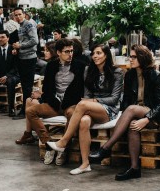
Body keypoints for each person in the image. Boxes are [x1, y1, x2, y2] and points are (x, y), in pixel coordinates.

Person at [88, 45, 160, 181]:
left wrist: (147, 119)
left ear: (143, 57)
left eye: (134, 57)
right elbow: (126, 101)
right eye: (130, 56)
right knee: (131, 124)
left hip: (154, 115)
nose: (130, 59)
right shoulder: (130, 75)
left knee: (131, 109)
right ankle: (135, 168)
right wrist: (124, 117)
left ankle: (106, 148)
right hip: (135, 114)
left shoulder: (155, 75)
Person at [46, 44, 123, 175]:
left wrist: (93, 101)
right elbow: (87, 95)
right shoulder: (88, 70)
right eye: (93, 53)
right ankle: (85, 164)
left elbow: (114, 99)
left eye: (99, 53)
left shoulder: (117, 72)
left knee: (81, 104)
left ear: (106, 55)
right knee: (84, 121)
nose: (95, 56)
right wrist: (89, 101)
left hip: (109, 109)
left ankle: (63, 142)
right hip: (91, 107)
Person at [16, 39, 85, 168]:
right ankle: (49, 145)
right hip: (55, 103)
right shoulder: (51, 66)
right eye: (66, 51)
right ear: (58, 52)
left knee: (72, 114)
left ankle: (62, 148)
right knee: (30, 111)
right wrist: (51, 99)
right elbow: (47, 89)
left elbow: (80, 89)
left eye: (71, 51)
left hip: (71, 104)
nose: (70, 54)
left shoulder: (79, 65)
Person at [11, 7, 38, 119]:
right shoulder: (21, 27)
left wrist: (20, 46)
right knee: (24, 85)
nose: (18, 17)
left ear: (24, 14)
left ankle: (25, 111)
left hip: (29, 59)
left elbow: (34, 40)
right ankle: (25, 109)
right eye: (15, 15)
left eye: (19, 14)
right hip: (22, 58)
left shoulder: (28, 25)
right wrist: (17, 49)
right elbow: (25, 41)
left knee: (27, 86)